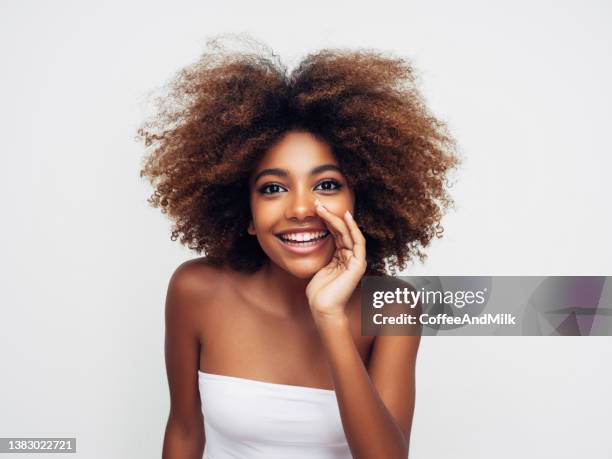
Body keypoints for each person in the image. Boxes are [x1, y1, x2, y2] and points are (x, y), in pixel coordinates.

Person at [138, 36, 458, 459]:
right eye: (273, 188)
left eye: (327, 184)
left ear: (360, 198)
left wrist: (330, 319)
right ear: (246, 213)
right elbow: (182, 431)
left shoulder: (393, 307)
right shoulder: (196, 289)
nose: (302, 208)